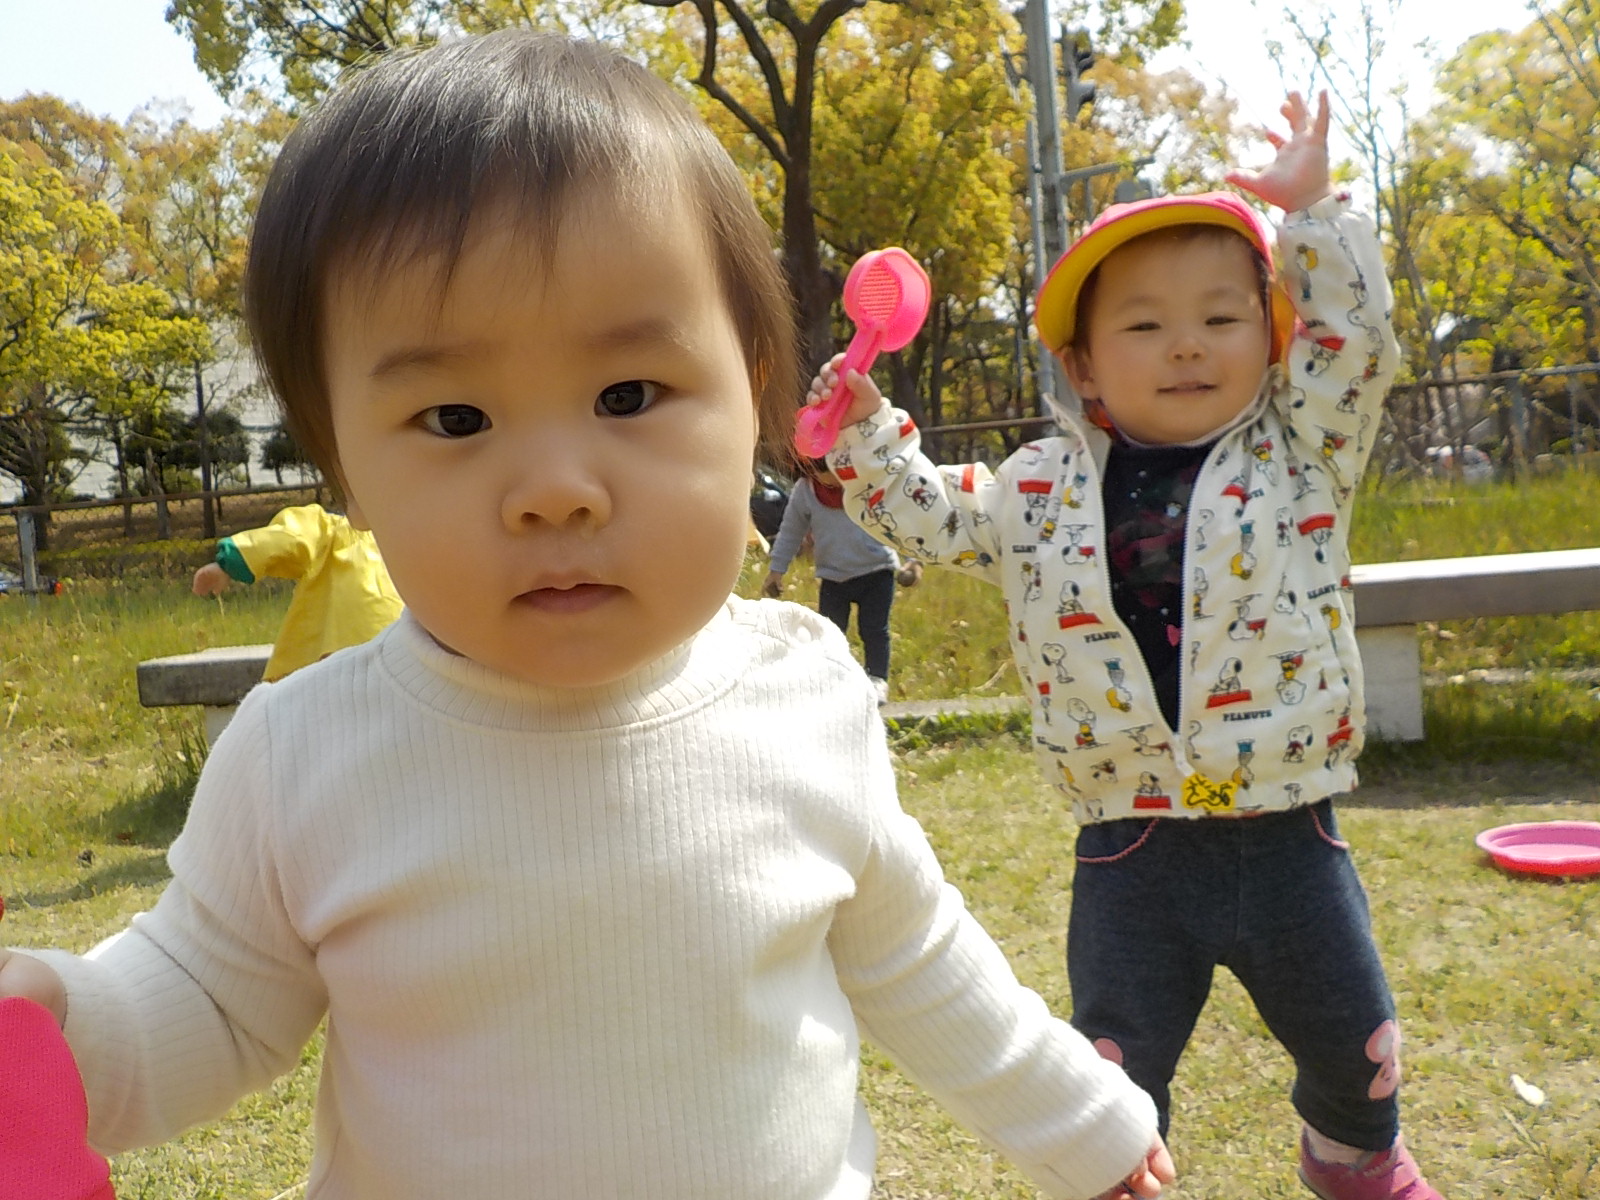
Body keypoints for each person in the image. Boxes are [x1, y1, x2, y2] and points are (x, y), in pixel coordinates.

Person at [0, 31, 1173, 1200]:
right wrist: (57, 1028)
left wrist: (1085, 1125)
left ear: (755, 396)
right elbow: (207, 1001)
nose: (556, 490)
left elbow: (916, 957)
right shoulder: (304, 753)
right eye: (456, 419)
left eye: (628, 394)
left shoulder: (806, 696)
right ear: (343, 467)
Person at [809, 92, 1444, 1200]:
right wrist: (864, 430)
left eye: (1221, 317)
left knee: (1357, 1043)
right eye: (1144, 326)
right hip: (1130, 843)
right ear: (1086, 368)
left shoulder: (1304, 451)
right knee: (1112, 1065)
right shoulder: (1038, 487)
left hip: (1286, 827)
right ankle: (1117, 1177)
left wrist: (1315, 214)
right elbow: (934, 519)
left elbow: (1355, 343)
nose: (1186, 342)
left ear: (1272, 340)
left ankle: (1355, 1159)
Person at [762, 457, 919, 703]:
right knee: (830, 633)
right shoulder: (806, 491)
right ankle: (834, 680)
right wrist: (776, 570)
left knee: (874, 630)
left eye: (836, 469)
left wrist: (913, 560)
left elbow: (899, 518)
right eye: (821, 472)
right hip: (833, 576)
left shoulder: (869, 481)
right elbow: (791, 530)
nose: (831, 478)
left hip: (877, 570)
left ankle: (877, 679)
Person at [191, 501, 403, 681]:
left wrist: (229, 563)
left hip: (330, 662)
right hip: (402, 656)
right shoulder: (405, 534)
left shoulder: (328, 530)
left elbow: (286, 538)